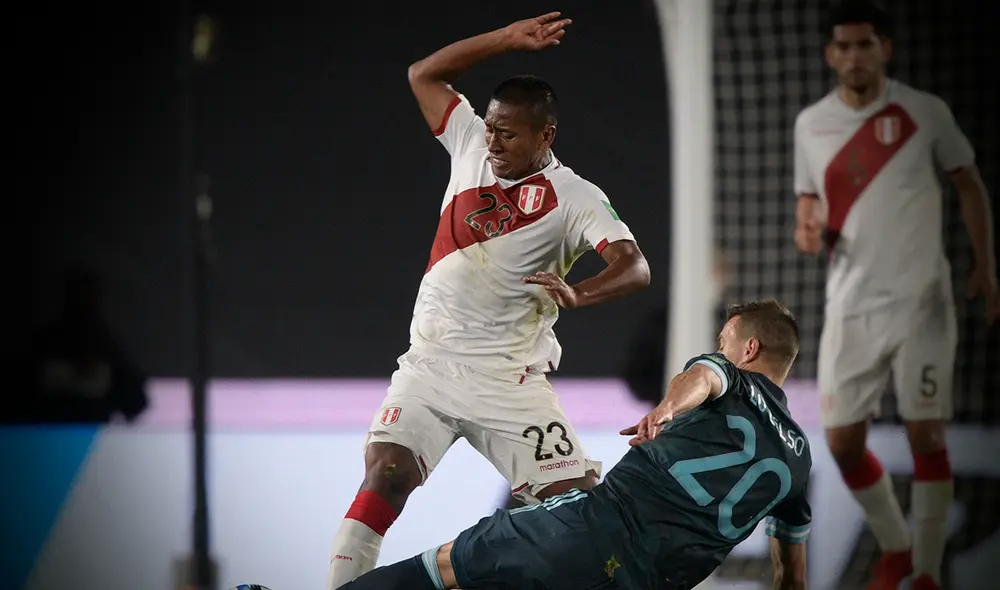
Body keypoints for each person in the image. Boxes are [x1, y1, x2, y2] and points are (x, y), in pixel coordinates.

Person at [324, 12, 652, 589]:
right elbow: (424, 75)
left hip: (509, 381)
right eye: (492, 128)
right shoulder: (471, 144)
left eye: (509, 134)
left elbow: (634, 266)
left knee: (580, 514)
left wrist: (580, 293)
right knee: (386, 474)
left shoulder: (576, 197)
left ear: (545, 135)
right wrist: (505, 41)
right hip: (431, 364)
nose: (494, 143)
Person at [339, 300, 812, 590]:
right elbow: (791, 578)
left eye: (725, 341)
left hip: (595, 528)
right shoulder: (800, 460)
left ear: (748, 351)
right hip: (655, 581)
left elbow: (703, 377)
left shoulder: (733, 379)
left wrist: (668, 407)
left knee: (452, 565)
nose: (721, 347)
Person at [792, 2, 998, 589]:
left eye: (866, 44)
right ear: (831, 54)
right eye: (844, 46)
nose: (855, 56)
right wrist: (806, 226)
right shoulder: (812, 123)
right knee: (841, 442)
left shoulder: (924, 112)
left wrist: (986, 265)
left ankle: (928, 572)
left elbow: (969, 184)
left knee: (925, 432)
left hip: (922, 303)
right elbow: (810, 200)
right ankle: (897, 545)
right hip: (851, 305)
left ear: (886, 48)